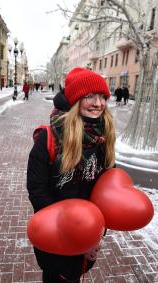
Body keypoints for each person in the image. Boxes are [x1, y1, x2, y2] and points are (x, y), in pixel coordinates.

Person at [27, 67, 116, 283]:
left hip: (88, 233)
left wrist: (94, 235)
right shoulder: (48, 139)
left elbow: (107, 190)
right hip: (55, 231)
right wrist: (73, 233)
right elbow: (37, 192)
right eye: (90, 96)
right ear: (75, 100)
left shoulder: (103, 137)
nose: (99, 103)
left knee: (75, 276)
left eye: (103, 96)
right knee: (56, 277)